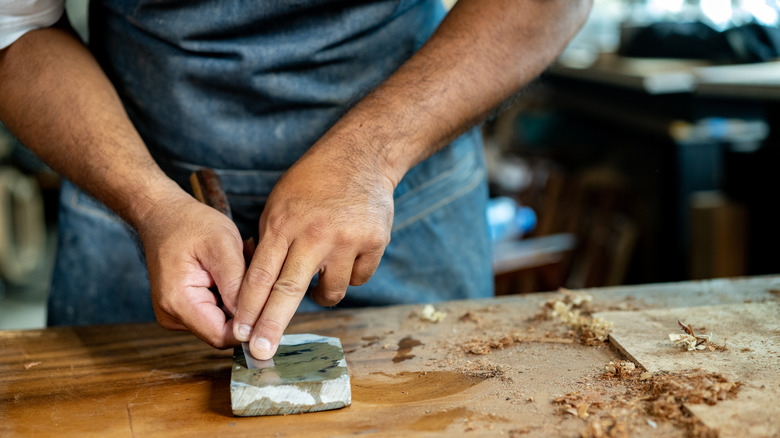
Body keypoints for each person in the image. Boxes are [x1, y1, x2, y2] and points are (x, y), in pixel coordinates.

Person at [0, 0, 591, 361]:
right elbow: (16, 29)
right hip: (138, 182)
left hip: (410, 195)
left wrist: (371, 156)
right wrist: (152, 205)